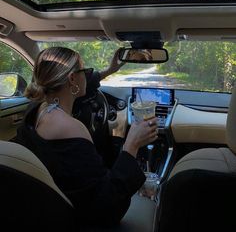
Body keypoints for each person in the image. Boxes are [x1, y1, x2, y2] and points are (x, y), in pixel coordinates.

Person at [16, 46, 158, 228]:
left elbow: (84, 84)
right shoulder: (72, 129)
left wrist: (110, 70)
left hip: (47, 212)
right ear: (72, 78)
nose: (88, 74)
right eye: (85, 70)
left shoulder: (36, 109)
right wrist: (131, 146)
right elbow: (106, 208)